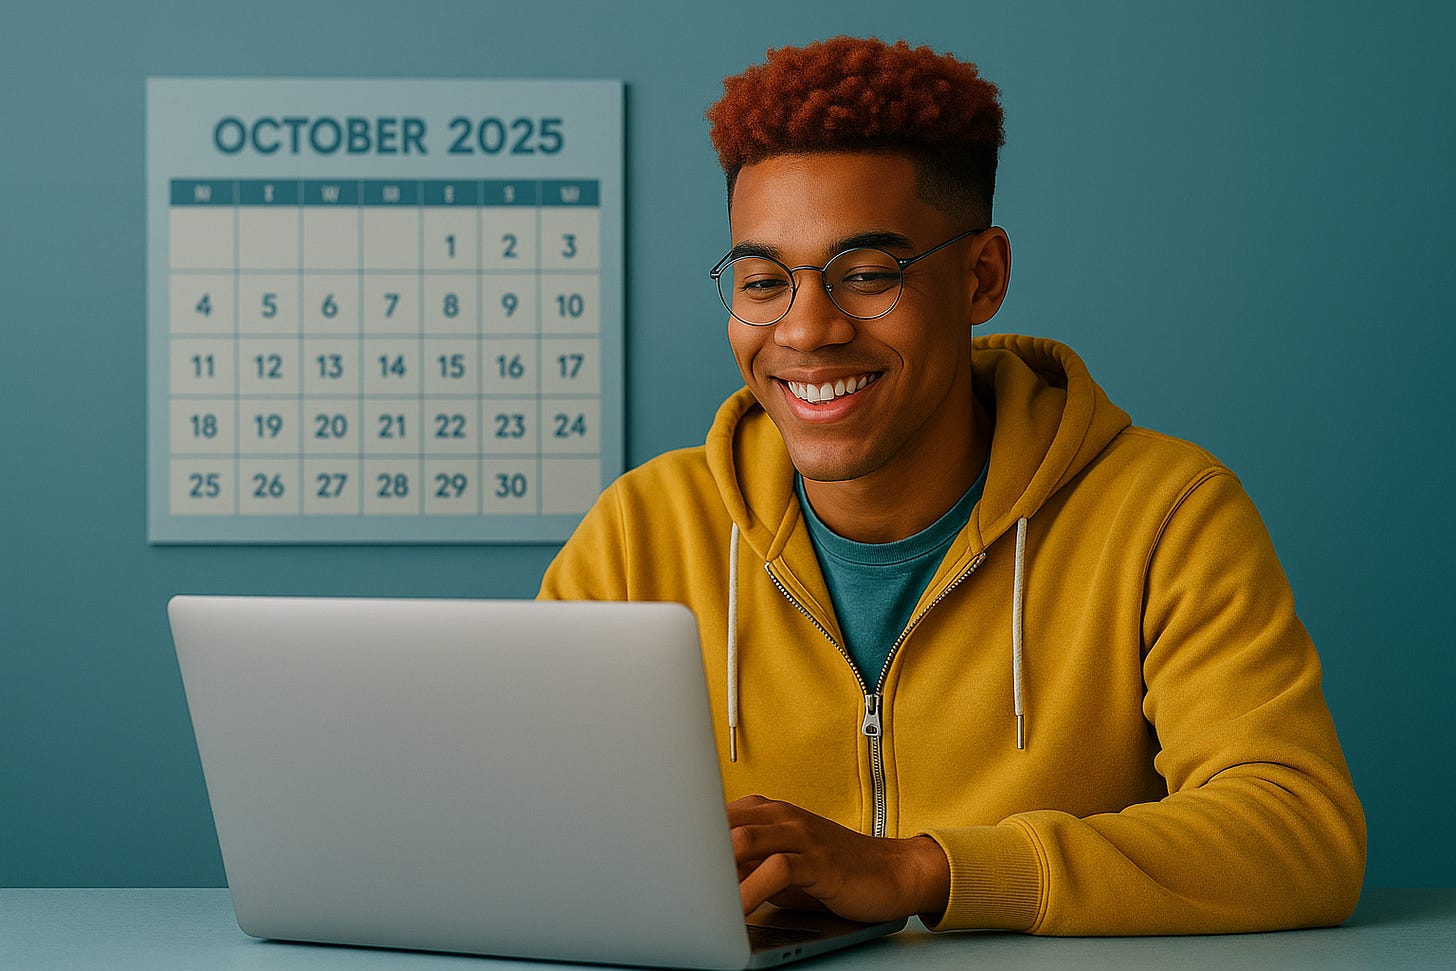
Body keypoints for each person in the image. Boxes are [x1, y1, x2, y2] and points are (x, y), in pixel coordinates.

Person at [538, 36, 1365, 935]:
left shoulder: (1165, 513)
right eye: (764, 280)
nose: (805, 330)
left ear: (983, 277)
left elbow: (1299, 832)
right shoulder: (638, 534)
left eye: (866, 275)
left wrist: (925, 871)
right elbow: (514, 817)